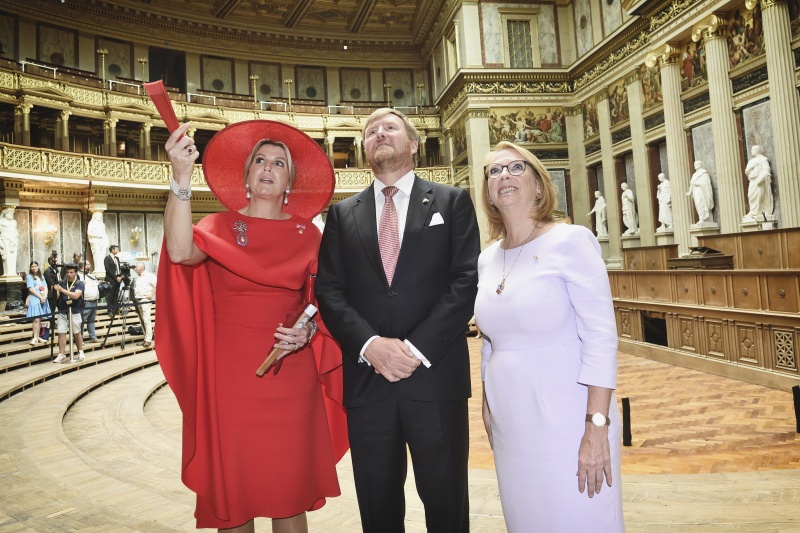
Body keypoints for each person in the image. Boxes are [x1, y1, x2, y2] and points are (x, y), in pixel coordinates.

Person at [156, 119, 347, 532]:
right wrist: (181, 176)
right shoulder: (218, 226)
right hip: (230, 382)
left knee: (289, 496)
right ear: (246, 175)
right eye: (260, 159)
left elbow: (325, 307)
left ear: (289, 182)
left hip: (291, 379)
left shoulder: (309, 235)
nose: (268, 167)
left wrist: (309, 333)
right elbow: (178, 250)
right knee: (233, 496)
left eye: (279, 163)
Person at [316, 108, 480, 533]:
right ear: (364, 149)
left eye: (389, 127)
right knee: (378, 507)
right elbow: (330, 292)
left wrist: (415, 349)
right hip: (369, 383)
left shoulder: (452, 201)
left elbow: (465, 281)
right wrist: (372, 347)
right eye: (370, 130)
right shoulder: (341, 214)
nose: (378, 133)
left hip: (435, 377)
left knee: (447, 504)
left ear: (412, 143)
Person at [476, 141, 623, 531]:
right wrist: (488, 407)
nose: (503, 176)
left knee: (578, 518)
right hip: (511, 422)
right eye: (494, 171)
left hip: (566, 418)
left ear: (540, 185)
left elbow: (601, 336)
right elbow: (490, 341)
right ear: (488, 192)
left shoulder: (571, 240)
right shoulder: (488, 258)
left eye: (515, 168)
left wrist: (597, 425)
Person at [52, 263, 85, 363]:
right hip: (62, 310)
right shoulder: (62, 282)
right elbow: (57, 297)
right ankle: (61, 354)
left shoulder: (80, 283)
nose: (69, 274)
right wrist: (56, 290)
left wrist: (62, 290)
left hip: (74, 310)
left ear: (76, 273)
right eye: (67, 272)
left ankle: (80, 351)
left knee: (77, 331)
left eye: (71, 272)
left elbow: (75, 296)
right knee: (61, 331)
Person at [744, 145, 773, 220]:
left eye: (753, 150)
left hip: (760, 180)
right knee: (751, 195)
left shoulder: (763, 159)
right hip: (753, 180)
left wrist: (762, 178)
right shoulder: (751, 161)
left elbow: (767, 170)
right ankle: (753, 211)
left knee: (759, 194)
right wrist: (751, 167)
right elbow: (747, 171)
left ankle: (760, 211)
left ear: (757, 150)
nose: (751, 151)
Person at [25, 261, 51, 345]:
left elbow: (45, 286)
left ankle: (38, 336)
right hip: (35, 298)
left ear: (38, 267)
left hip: (42, 298)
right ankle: (35, 337)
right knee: (36, 319)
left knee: (39, 318)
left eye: (35, 266)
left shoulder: (41, 276)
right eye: (32, 266)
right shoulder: (29, 277)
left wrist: (45, 296)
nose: (34, 268)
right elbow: (31, 289)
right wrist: (40, 297)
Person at [133, 262, 156, 349]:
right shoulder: (137, 277)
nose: (135, 268)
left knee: (146, 319)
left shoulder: (149, 276)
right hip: (138, 299)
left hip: (145, 299)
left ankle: (148, 339)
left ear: (141, 268)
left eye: (136, 267)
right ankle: (145, 337)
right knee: (142, 319)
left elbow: (157, 284)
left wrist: (151, 294)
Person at [687, 161, 714, 226]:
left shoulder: (703, 173)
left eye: (696, 164)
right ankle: (701, 217)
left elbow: (706, 183)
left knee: (701, 203)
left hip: (701, 191)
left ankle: (703, 218)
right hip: (695, 191)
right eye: (694, 164)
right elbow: (692, 183)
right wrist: (690, 192)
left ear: (700, 164)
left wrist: (698, 183)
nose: (695, 165)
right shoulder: (694, 174)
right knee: (697, 204)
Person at [78, 260, 99, 342]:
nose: (90, 265)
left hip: (94, 300)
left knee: (91, 320)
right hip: (86, 301)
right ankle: (80, 339)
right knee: (82, 320)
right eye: (88, 264)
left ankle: (93, 337)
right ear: (83, 266)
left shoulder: (90, 275)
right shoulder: (79, 276)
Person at [104, 244, 122, 316]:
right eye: (116, 249)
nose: (118, 250)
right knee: (110, 295)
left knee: (116, 294)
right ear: (112, 250)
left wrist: (120, 276)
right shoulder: (107, 258)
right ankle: (110, 310)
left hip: (117, 279)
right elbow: (108, 269)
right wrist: (115, 277)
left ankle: (115, 309)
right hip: (111, 279)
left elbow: (118, 268)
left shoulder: (117, 258)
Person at [0, 206, 18, 278]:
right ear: (5, 213)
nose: (11, 214)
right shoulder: (1, 221)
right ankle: (7, 273)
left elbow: (15, 231)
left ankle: (12, 272)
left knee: (13, 257)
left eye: (12, 213)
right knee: (6, 256)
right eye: (9, 212)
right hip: (5, 239)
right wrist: (1, 213)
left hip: (14, 240)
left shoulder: (14, 222)